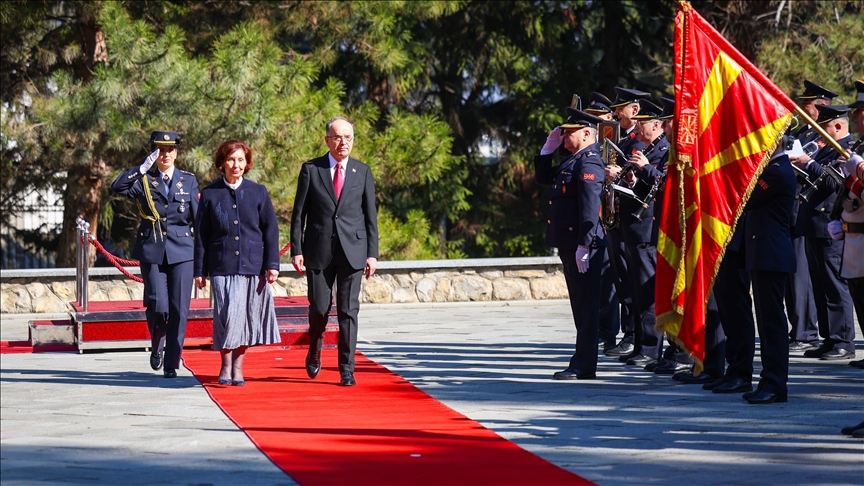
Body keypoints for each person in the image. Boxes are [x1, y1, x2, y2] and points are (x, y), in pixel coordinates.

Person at [290, 116, 379, 387]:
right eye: (338, 137)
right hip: (318, 250)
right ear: (327, 139)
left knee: (348, 311)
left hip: (353, 250)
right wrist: (296, 249)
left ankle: (346, 368)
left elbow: (370, 216)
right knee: (319, 308)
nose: (344, 143)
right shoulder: (311, 169)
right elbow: (298, 214)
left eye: (349, 137)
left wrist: (372, 253)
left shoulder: (362, 172)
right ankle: (315, 349)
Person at [111, 131, 198, 378]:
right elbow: (118, 186)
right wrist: (141, 168)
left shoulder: (188, 180)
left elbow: (198, 219)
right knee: (158, 305)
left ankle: (171, 362)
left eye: (170, 150)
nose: (166, 154)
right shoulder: (145, 180)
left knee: (179, 309)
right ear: (153, 153)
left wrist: (202, 261)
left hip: (182, 250)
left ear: (177, 152)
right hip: (153, 248)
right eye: (160, 150)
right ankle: (157, 343)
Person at [193, 140, 281, 386]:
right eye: (231, 159)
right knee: (225, 316)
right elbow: (201, 234)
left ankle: (238, 368)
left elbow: (270, 230)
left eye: (241, 160)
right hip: (221, 265)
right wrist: (199, 270)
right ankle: (225, 364)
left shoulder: (258, 192)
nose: (236, 165)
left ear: (247, 163)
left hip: (252, 266)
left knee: (244, 318)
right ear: (222, 163)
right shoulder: (210, 194)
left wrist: (272, 264)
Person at [535, 108, 607, 380]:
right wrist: (547, 150)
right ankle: (582, 360)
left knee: (586, 306)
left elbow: (590, 209)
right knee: (580, 305)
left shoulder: (588, 163)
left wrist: (584, 246)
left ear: (587, 133)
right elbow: (544, 178)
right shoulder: (572, 160)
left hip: (582, 245)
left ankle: (584, 364)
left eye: (570, 131)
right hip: (572, 243)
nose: (563, 135)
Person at [791, 104, 857, 361]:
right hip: (813, 223)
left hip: (829, 224)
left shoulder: (846, 150)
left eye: (825, 127)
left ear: (838, 126)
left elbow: (834, 183)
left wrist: (808, 163)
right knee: (819, 285)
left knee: (835, 285)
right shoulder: (828, 149)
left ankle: (843, 340)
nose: (821, 133)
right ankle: (829, 338)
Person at [610, 98, 669, 368]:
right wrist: (632, 179)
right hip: (635, 225)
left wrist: (644, 168)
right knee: (637, 290)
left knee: (648, 293)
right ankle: (643, 345)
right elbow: (647, 185)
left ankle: (650, 347)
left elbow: (663, 181)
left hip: (647, 226)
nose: (638, 129)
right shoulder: (651, 147)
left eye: (643, 124)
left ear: (655, 125)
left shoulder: (662, 149)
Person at [740, 141, 797, 404]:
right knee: (766, 321)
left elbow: (746, 196)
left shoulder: (777, 171)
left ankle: (775, 383)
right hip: (763, 253)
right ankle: (769, 380)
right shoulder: (771, 168)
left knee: (773, 323)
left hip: (771, 254)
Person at [787, 80, 838, 352]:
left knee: (804, 276)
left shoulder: (823, 138)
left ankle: (806, 331)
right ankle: (800, 328)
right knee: (795, 275)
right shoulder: (805, 134)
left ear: (821, 106)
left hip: (811, 209)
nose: (802, 108)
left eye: (807, 104)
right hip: (795, 209)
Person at [603, 87, 650, 361]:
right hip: (619, 217)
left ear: (635, 110)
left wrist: (619, 173)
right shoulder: (622, 138)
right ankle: (631, 333)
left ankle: (636, 335)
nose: (616, 113)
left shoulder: (641, 141)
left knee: (635, 280)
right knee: (624, 278)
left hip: (635, 219)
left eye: (621, 108)